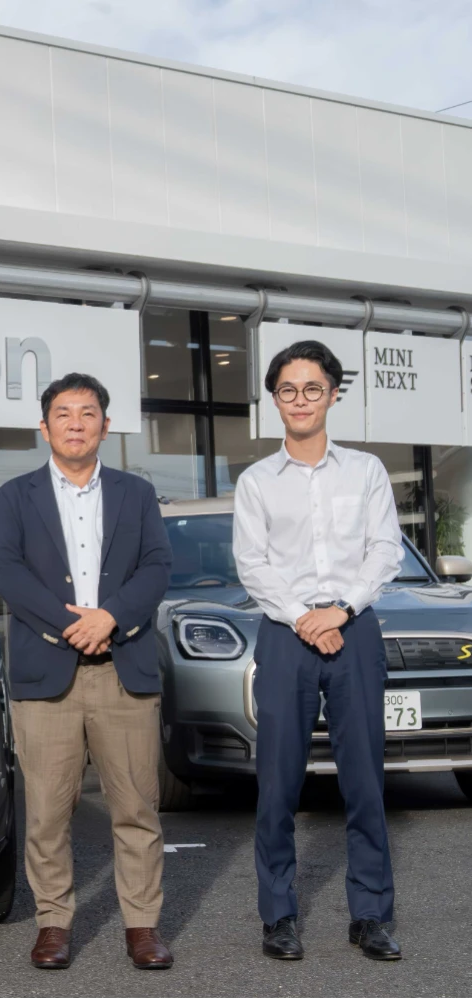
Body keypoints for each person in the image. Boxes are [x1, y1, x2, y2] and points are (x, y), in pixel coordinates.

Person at [0, 372, 175, 971]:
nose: (76, 423)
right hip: (48, 676)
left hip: (124, 669)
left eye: (87, 413)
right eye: (63, 414)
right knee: (47, 812)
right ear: (44, 428)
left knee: (137, 808)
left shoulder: (136, 493)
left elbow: (157, 566)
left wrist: (111, 618)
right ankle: (54, 923)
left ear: (105, 425)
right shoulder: (14, 496)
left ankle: (142, 926)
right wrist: (72, 625)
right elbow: (8, 573)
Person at [233, 340, 403, 962]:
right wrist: (305, 618)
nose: (300, 400)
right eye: (288, 390)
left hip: (353, 630)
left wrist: (342, 610)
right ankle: (279, 915)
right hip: (286, 634)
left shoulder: (366, 471)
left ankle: (371, 915)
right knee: (278, 783)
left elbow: (384, 550)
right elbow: (252, 564)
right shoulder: (256, 481)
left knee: (364, 781)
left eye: (311, 388)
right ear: (275, 400)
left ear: (332, 394)